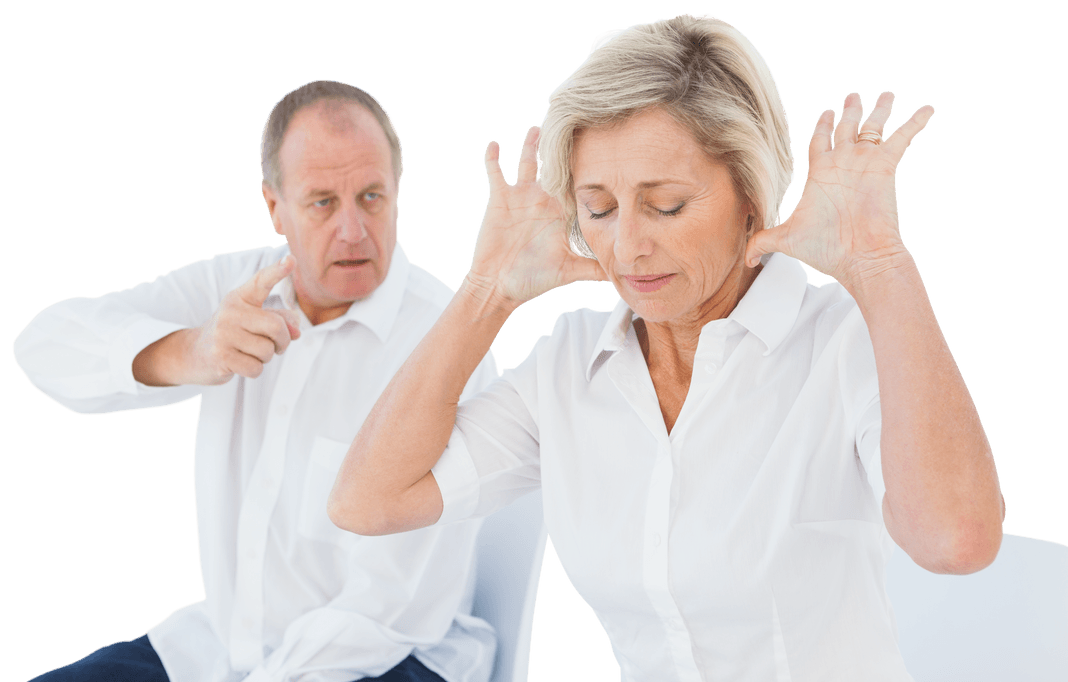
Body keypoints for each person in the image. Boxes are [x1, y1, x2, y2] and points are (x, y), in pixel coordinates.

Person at [328, 15, 1007, 682]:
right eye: (598, 208)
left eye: (668, 205)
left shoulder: (840, 342)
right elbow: (367, 503)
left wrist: (881, 267)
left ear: (750, 193)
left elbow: (956, 542)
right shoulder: (570, 366)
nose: (628, 247)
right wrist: (487, 293)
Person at [13, 80, 498, 682]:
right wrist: (189, 351)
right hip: (225, 646)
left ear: (398, 191)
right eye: (322, 202)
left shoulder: (445, 344)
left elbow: (394, 608)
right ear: (276, 206)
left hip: (390, 658)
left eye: (372, 197)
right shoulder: (238, 288)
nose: (353, 230)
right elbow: (42, 346)